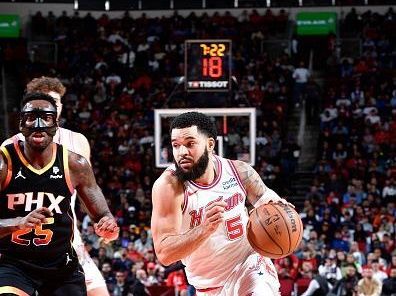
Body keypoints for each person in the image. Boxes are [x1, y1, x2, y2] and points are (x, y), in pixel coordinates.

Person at [151, 111, 293, 295]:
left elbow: (269, 203)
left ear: (210, 144)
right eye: (176, 145)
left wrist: (281, 210)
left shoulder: (240, 171)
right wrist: (204, 228)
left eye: (190, 144)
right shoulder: (168, 187)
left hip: (249, 266)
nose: (182, 152)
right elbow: (164, 253)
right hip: (208, 286)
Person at [0, 92, 119, 295]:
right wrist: (18, 223)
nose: (38, 125)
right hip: (13, 263)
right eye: (31, 117)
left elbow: (105, 220)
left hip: (60, 265)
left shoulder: (75, 164)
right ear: (21, 124)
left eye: (45, 118)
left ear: (56, 124)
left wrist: (108, 228)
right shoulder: (4, 163)